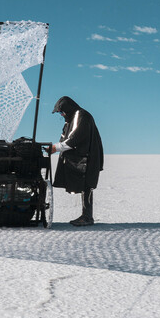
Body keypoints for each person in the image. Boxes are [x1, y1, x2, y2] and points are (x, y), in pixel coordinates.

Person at [51, 96, 104, 226]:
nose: (62, 115)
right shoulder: (71, 118)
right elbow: (65, 137)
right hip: (82, 158)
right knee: (85, 186)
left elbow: (75, 138)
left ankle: (87, 217)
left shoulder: (81, 116)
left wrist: (55, 147)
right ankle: (86, 216)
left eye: (62, 112)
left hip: (88, 158)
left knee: (87, 186)